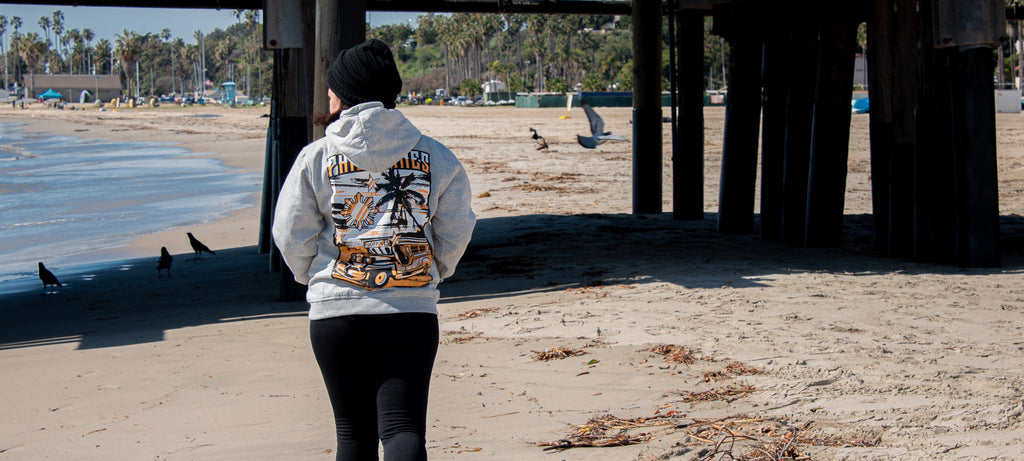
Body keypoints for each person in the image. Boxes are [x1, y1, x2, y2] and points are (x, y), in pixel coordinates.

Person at [272, 38, 476, 460]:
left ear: (344, 93)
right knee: (403, 429)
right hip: (410, 310)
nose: (327, 97)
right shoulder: (436, 155)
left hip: (335, 312)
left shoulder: (316, 156)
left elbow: (291, 233)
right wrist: (432, 270)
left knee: (352, 435)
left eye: (331, 90)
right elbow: (456, 230)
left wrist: (312, 277)